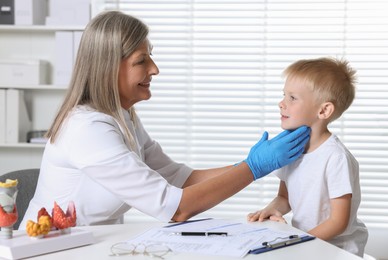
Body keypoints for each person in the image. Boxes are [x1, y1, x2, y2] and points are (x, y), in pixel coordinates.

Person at [20, 11, 310, 229]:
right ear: (109, 67)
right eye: (141, 61)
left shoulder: (122, 116)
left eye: (151, 57)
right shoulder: (87, 129)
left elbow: (179, 178)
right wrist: (254, 167)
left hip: (90, 246)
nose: (155, 69)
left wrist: (249, 162)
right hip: (50, 250)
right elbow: (174, 208)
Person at [247, 57, 368, 256]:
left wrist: (300, 241)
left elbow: (338, 221)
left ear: (324, 110)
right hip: (308, 243)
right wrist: (271, 209)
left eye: (292, 98)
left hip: (338, 250)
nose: (281, 103)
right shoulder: (291, 151)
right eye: (283, 95)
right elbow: (284, 197)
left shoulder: (335, 158)